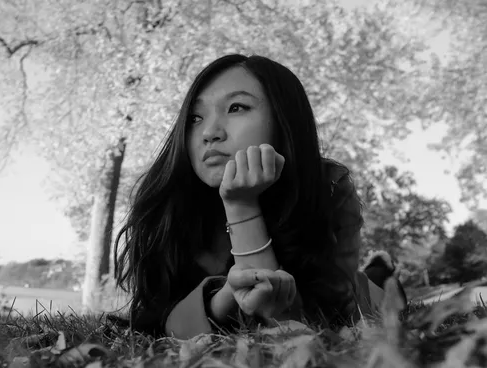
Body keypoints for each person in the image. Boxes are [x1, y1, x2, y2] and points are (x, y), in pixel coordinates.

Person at [114, 54, 389, 339]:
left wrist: (241, 205)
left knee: (382, 294)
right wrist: (225, 297)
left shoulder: (327, 185)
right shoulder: (166, 202)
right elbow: (158, 320)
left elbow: (308, 322)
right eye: (195, 117)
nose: (209, 133)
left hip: (360, 293)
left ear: (284, 120)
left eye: (236, 107)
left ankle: (381, 271)